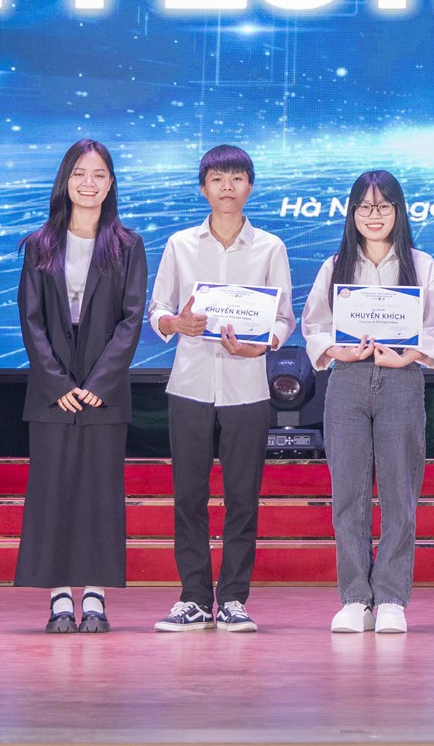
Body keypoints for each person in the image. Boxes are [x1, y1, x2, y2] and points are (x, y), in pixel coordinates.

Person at [148, 144, 294, 633]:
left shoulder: (270, 247)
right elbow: (157, 310)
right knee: (188, 497)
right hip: (189, 384)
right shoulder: (179, 245)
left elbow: (284, 319)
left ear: (250, 186)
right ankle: (192, 598)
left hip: (247, 388)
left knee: (242, 499)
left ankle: (233, 598)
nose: (227, 187)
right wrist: (176, 323)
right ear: (203, 188)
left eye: (236, 178)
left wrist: (264, 344)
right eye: (217, 179)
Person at [300, 170, 434, 634]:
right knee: (348, 494)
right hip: (347, 380)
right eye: (364, 207)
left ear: (399, 211)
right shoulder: (336, 266)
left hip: (401, 379)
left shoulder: (422, 264)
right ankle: (354, 598)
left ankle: (390, 598)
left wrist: (408, 355)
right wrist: (336, 350)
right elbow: (314, 325)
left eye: (383, 206)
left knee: (400, 492)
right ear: (352, 214)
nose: (374, 215)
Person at [14, 140, 148, 634]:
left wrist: (99, 382)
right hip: (50, 391)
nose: (88, 183)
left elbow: (131, 320)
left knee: (99, 493)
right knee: (52, 492)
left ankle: (94, 595)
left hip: (103, 391)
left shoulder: (128, 245)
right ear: (65, 180)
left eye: (98, 175)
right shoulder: (39, 244)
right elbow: (31, 321)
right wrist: (56, 383)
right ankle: (57, 597)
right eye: (79, 174)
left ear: (110, 184)